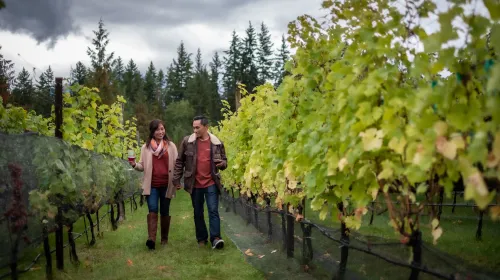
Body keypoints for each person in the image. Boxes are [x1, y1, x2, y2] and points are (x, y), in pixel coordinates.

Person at [173, 115, 228, 249]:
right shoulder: (187, 142)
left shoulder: (216, 142)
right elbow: (180, 161)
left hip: (211, 182)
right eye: (194, 127)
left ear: (206, 127)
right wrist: (176, 179)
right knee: (198, 212)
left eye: (198, 127)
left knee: (213, 210)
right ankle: (201, 239)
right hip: (195, 183)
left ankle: (215, 238)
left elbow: (225, 161)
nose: (195, 130)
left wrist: (222, 164)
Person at [129, 119, 178, 250]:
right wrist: (134, 165)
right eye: (157, 129)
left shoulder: (171, 146)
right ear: (152, 131)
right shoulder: (145, 148)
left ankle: (164, 239)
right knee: (152, 209)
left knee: (165, 210)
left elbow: (177, 165)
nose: (161, 132)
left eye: (162, 129)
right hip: (152, 185)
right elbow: (142, 166)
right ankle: (151, 239)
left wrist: (177, 181)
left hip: (167, 185)